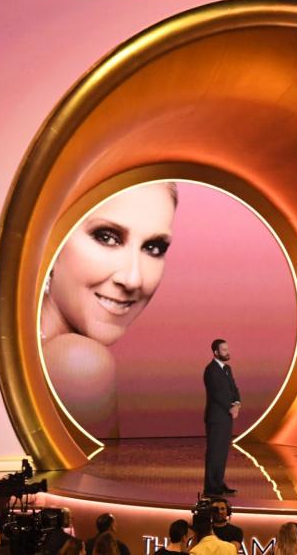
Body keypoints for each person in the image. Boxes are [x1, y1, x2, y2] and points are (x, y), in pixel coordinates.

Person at [40, 182, 178, 438]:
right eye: (107, 237)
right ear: (50, 237)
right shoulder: (78, 362)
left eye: (153, 247)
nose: (133, 279)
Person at [204, 338, 241, 496]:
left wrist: (237, 403)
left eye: (228, 349)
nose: (227, 352)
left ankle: (219, 483)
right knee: (215, 453)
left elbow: (234, 388)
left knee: (222, 453)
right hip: (216, 417)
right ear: (216, 352)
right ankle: (211, 487)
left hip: (226, 417)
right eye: (224, 350)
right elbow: (216, 393)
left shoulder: (227, 369)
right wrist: (229, 407)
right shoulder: (211, 370)